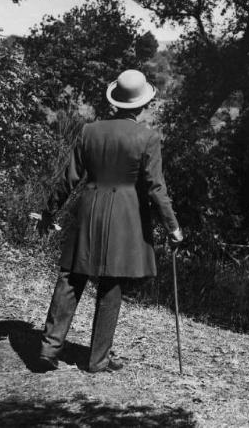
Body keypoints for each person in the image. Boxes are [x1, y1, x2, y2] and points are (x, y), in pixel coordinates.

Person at [35, 69, 183, 373]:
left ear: (116, 101)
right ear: (143, 105)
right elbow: (156, 188)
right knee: (111, 284)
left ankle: (49, 348)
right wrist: (173, 226)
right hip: (125, 215)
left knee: (71, 277)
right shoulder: (148, 137)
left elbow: (69, 178)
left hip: (89, 207)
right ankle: (97, 359)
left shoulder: (90, 131)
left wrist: (49, 211)